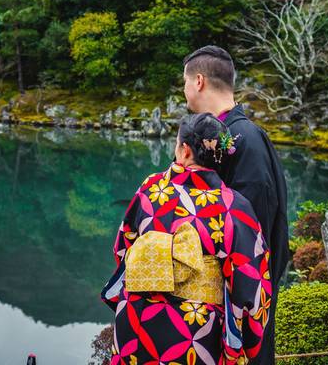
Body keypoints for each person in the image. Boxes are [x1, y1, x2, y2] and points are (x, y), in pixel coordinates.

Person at [101, 113, 272, 365]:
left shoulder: (150, 189)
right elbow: (253, 285)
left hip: (136, 319)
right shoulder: (234, 207)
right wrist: (247, 345)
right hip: (196, 331)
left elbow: (122, 251)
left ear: (184, 150)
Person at [182, 46, 289, 365]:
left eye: (185, 82)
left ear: (199, 81)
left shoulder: (245, 140)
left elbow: (252, 236)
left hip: (237, 302)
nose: (184, 91)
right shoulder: (224, 135)